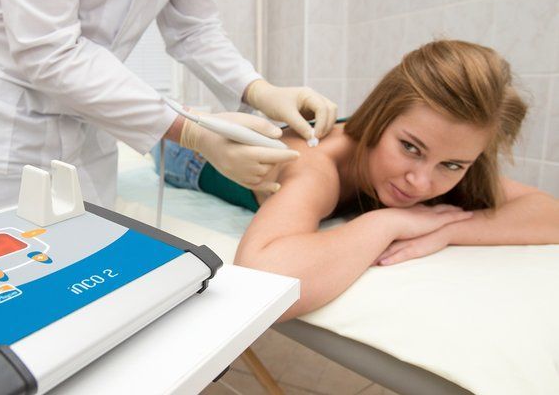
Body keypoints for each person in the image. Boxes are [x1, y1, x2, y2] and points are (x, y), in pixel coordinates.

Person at [154, 40, 559, 320]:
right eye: (410, 147)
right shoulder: (317, 167)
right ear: (381, 117)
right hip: (189, 157)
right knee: (183, 131)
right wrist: (391, 222)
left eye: (452, 165)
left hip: (283, 136)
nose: (420, 183)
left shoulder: (442, 151)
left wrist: (449, 230)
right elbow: (263, 275)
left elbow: (550, 213)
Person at [0, 0, 337, 221]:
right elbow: (48, 49)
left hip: (90, 106)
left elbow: (193, 30)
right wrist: (192, 132)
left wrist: (258, 89)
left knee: (86, 261)